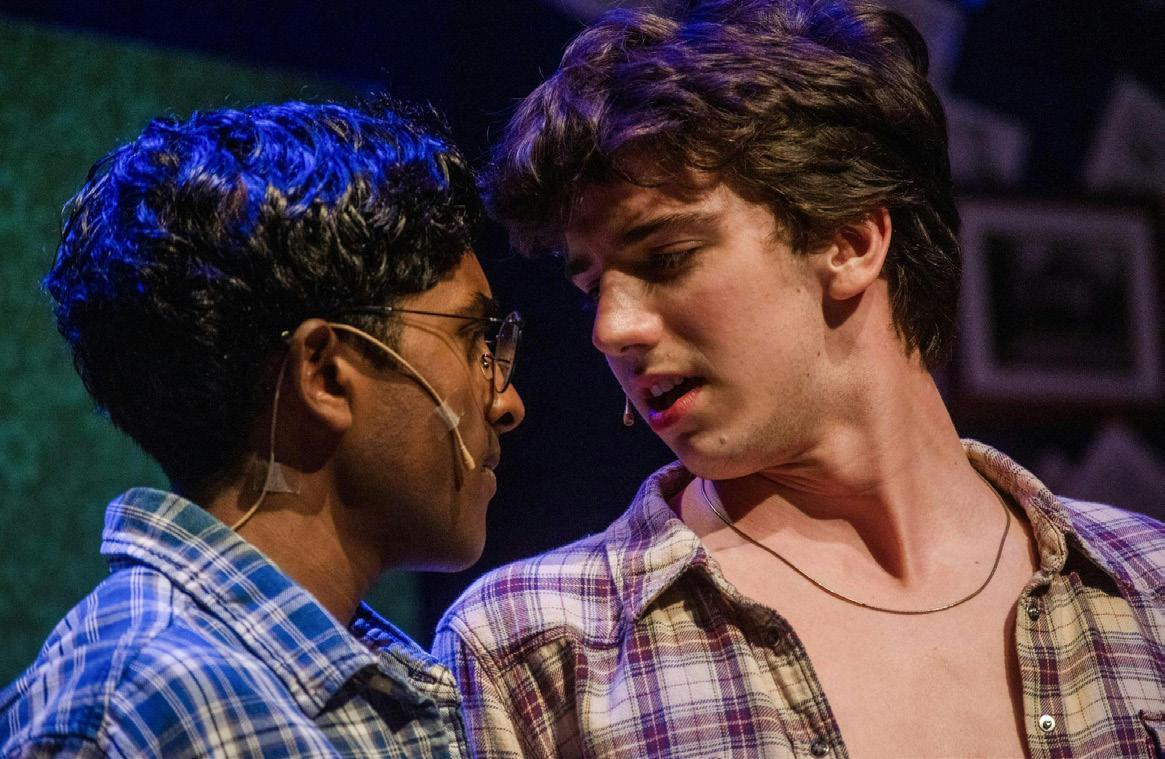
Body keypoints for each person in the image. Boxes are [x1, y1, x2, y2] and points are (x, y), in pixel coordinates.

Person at [433, 2, 1165, 757]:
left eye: (666, 257)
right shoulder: (535, 650)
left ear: (849, 241)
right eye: (593, 287)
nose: (610, 329)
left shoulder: (1148, 588)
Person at [0, 96, 525, 757]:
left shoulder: (363, 680)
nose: (508, 402)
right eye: (474, 339)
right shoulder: (132, 713)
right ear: (325, 376)